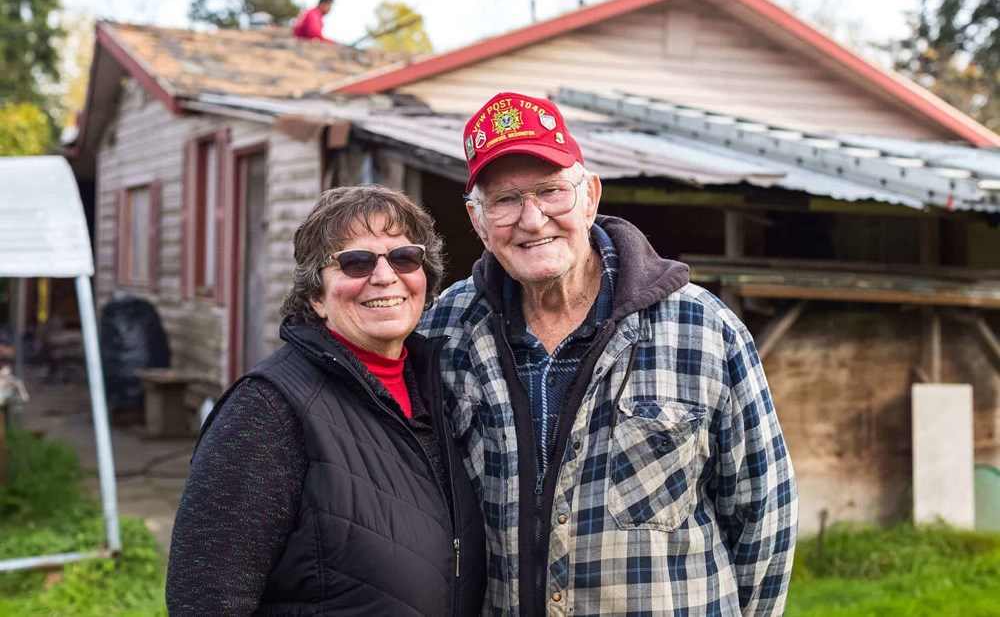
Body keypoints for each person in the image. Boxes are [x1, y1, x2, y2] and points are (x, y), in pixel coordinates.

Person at [418, 92, 798, 615]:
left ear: (590, 195)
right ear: (478, 221)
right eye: (505, 200)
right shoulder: (445, 332)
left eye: (551, 191)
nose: (532, 219)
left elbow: (764, 517)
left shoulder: (703, 329)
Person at [166, 186, 486, 616]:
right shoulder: (266, 411)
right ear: (316, 295)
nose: (385, 276)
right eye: (356, 261)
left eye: (404, 257)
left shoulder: (438, 389)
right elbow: (204, 599)